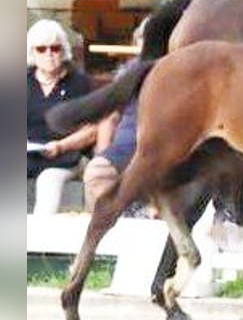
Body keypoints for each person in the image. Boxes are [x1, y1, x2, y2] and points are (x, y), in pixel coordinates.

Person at [82, 18, 158, 218]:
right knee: (96, 173)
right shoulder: (128, 72)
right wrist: (102, 151)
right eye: (143, 38)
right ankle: (118, 223)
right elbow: (110, 117)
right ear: (136, 42)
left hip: (161, 149)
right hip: (124, 147)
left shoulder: (179, 72)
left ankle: (140, 217)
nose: (148, 43)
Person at [27, 18, 97, 214]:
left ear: (63, 51)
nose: (49, 54)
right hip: (27, 154)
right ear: (32, 52)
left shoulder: (79, 83)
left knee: (48, 181)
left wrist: (61, 146)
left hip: (65, 157)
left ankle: (37, 241)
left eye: (55, 48)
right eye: (41, 49)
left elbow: (91, 130)